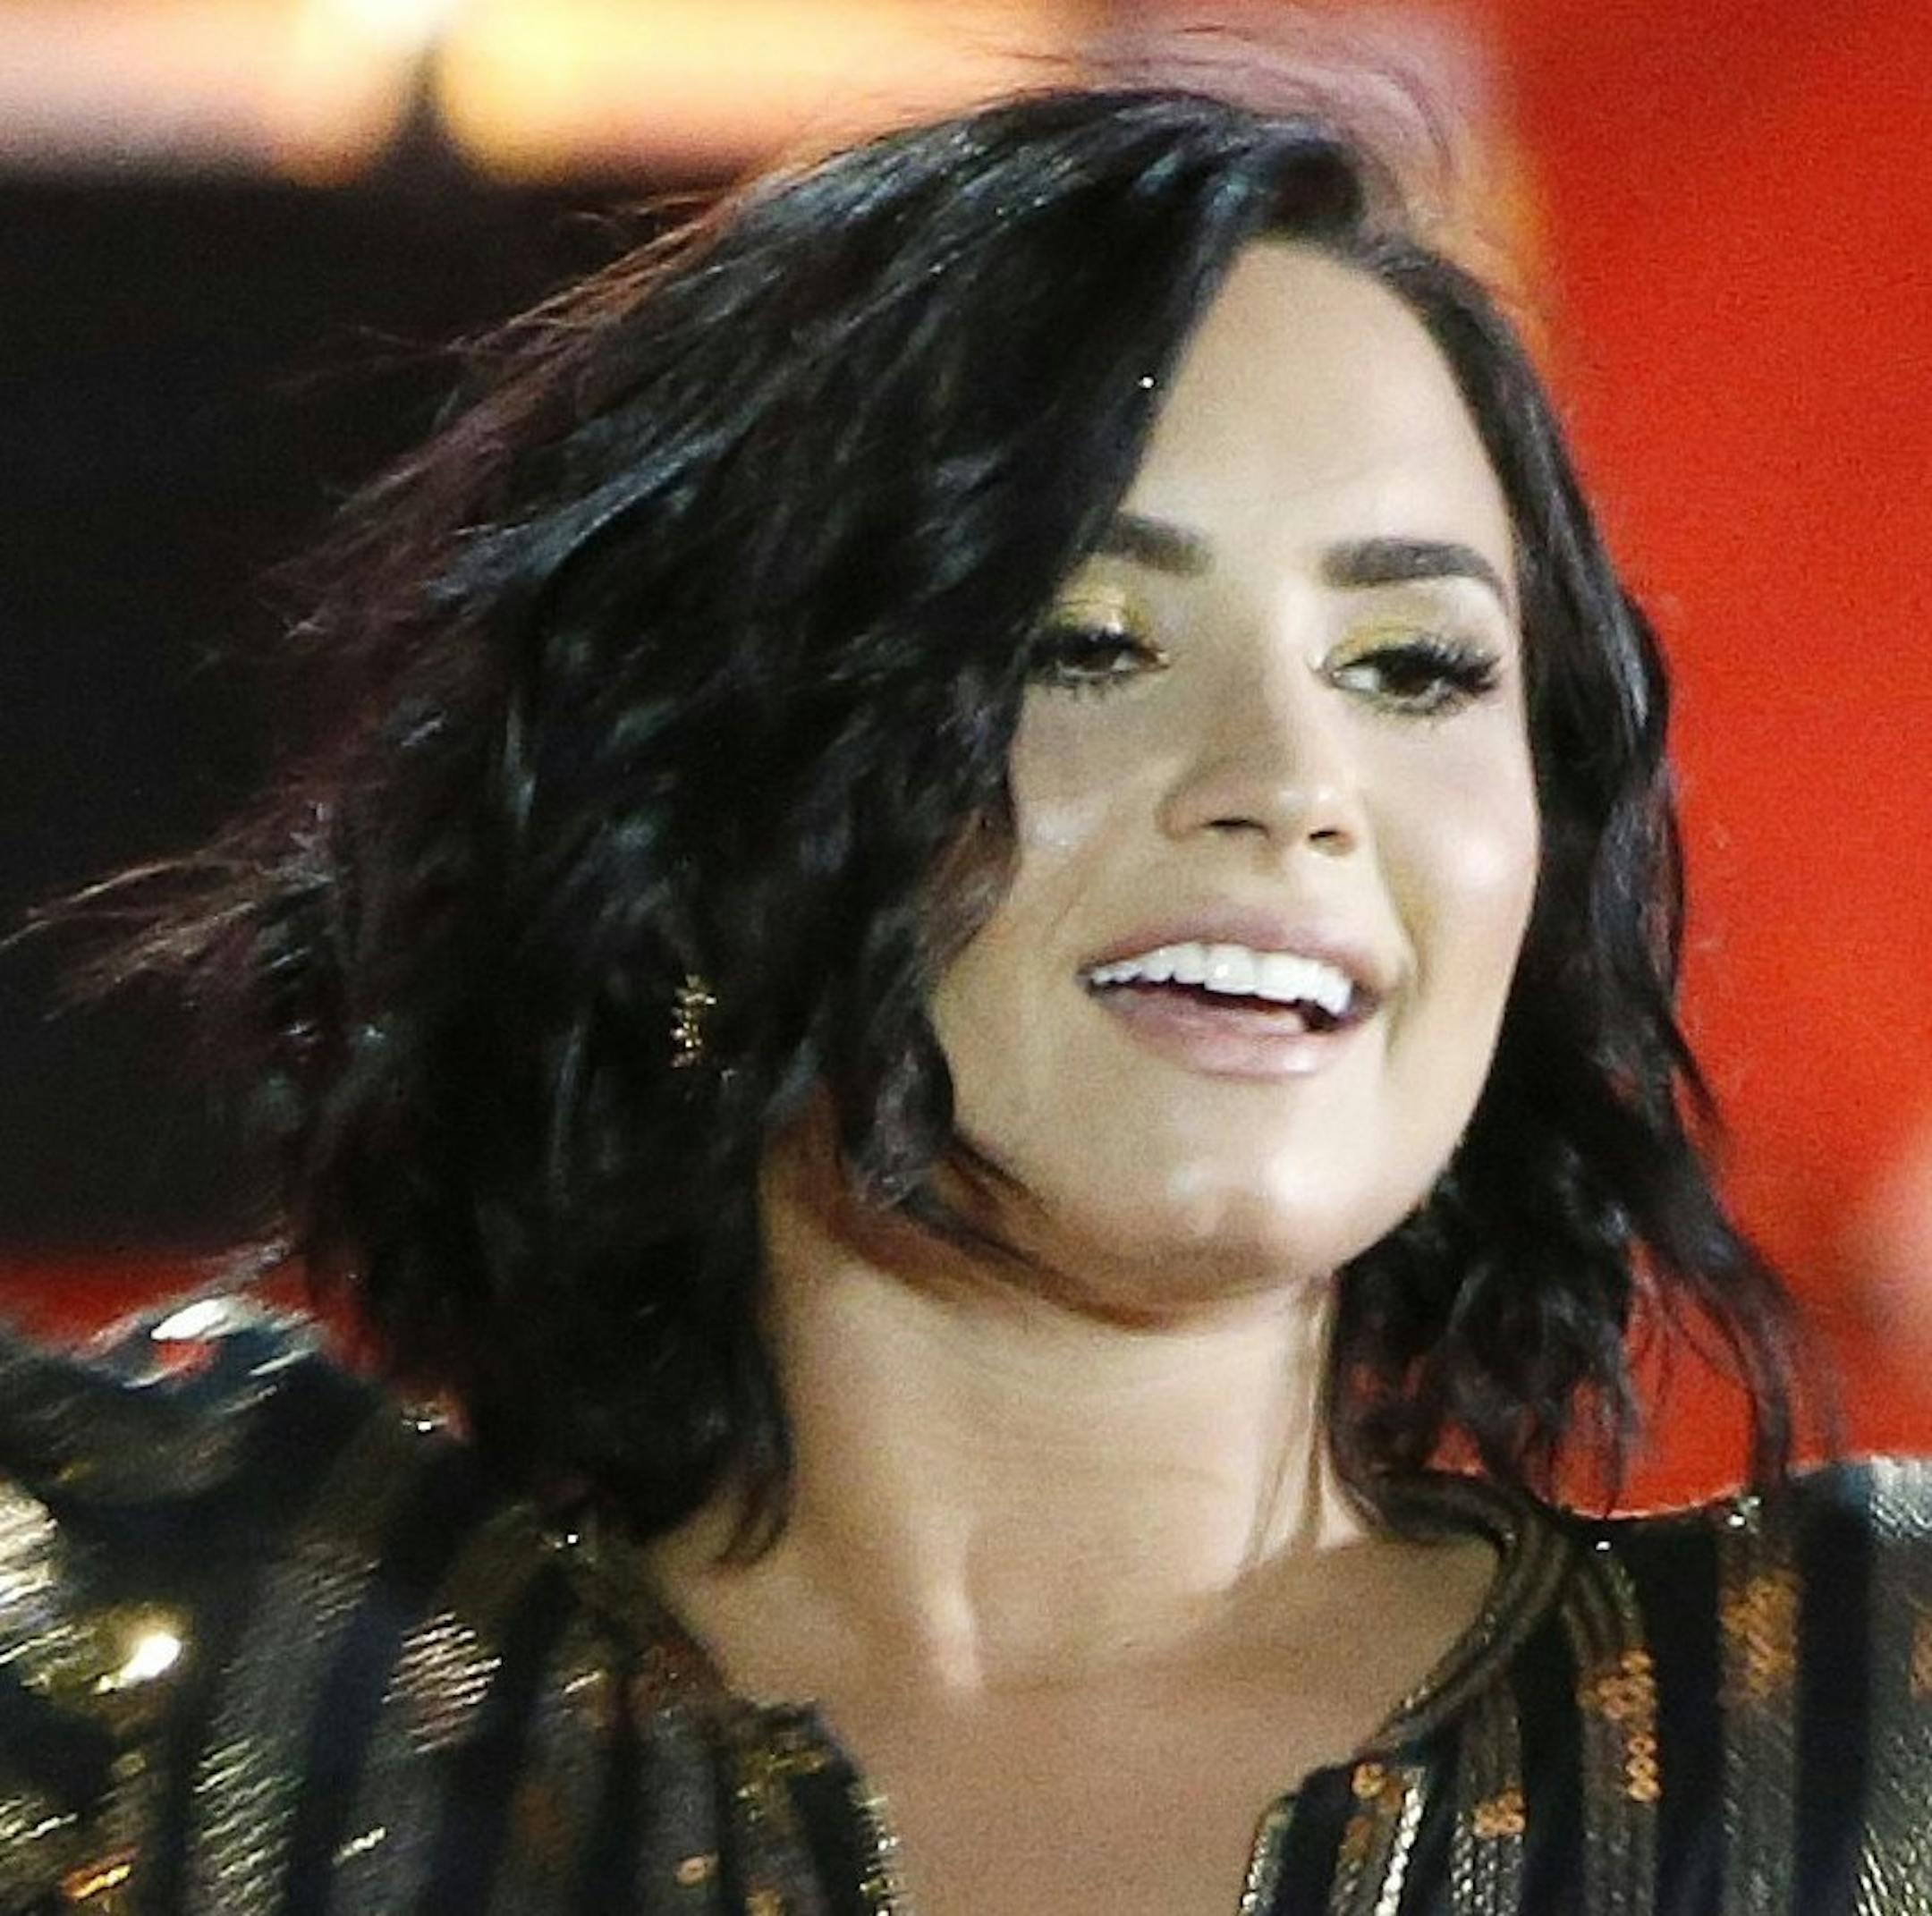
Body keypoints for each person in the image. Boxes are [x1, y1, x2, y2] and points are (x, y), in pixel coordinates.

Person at [1, 84, 1927, 1916]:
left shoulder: (1863, 1743)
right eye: (1089, 642)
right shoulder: (160, 1719)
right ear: (689, 807)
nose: (1292, 779)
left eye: (1416, 666)